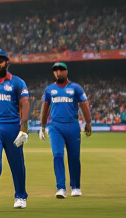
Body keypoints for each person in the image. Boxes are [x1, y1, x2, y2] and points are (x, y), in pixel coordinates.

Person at [0, 49, 30, 211]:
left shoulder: (17, 82)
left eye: (1, 61)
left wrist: (24, 127)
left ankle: (21, 196)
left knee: (16, 163)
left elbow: (24, 103)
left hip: (12, 128)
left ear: (7, 63)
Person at [39, 61, 92, 198]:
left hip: (72, 126)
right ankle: (60, 188)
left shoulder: (75, 88)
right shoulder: (49, 89)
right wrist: (43, 126)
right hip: (56, 127)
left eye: (61, 70)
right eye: (56, 70)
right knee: (57, 155)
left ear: (66, 71)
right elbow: (45, 107)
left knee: (74, 157)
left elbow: (84, 105)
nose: (58, 72)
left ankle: (75, 187)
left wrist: (88, 123)